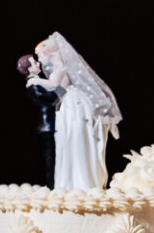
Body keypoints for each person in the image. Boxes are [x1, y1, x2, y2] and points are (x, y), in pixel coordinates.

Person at [32, 33, 121, 192]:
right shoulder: (58, 65)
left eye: (39, 57)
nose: (40, 61)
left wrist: (35, 80)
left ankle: (77, 183)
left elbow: (56, 84)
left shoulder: (59, 65)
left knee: (73, 137)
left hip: (72, 104)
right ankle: (71, 181)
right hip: (69, 102)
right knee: (68, 139)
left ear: (47, 52)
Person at [17, 52, 60, 186]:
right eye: (34, 63)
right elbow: (50, 99)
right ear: (29, 68)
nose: (38, 64)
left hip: (50, 124)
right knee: (50, 157)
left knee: (54, 156)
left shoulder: (37, 81)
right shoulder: (33, 85)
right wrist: (60, 89)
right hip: (47, 125)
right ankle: (51, 184)